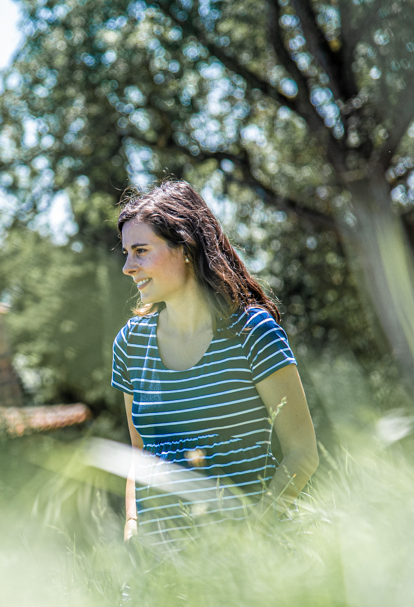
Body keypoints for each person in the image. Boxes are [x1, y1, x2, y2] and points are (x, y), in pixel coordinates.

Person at [112, 180, 318, 546]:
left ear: (186, 247)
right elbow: (139, 455)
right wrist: (132, 523)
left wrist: (249, 539)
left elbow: (302, 454)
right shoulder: (131, 343)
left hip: (250, 560)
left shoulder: (252, 332)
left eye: (141, 250)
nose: (129, 267)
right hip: (161, 570)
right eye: (127, 252)